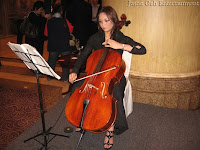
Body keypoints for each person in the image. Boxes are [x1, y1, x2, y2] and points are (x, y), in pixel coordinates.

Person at [68, 6, 146, 149]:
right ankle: (83, 118)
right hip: (96, 74)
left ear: (114, 21)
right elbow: (83, 55)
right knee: (77, 87)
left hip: (114, 76)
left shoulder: (120, 36)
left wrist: (121, 45)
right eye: (101, 21)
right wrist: (74, 71)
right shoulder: (95, 38)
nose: (103, 25)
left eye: (107, 21)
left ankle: (110, 128)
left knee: (114, 93)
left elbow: (142, 49)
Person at [44, 4, 74, 81]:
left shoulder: (49, 21)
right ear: (61, 11)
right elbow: (70, 30)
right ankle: (65, 78)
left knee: (52, 61)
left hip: (53, 45)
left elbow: (46, 33)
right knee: (65, 62)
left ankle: (50, 77)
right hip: (64, 45)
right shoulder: (64, 21)